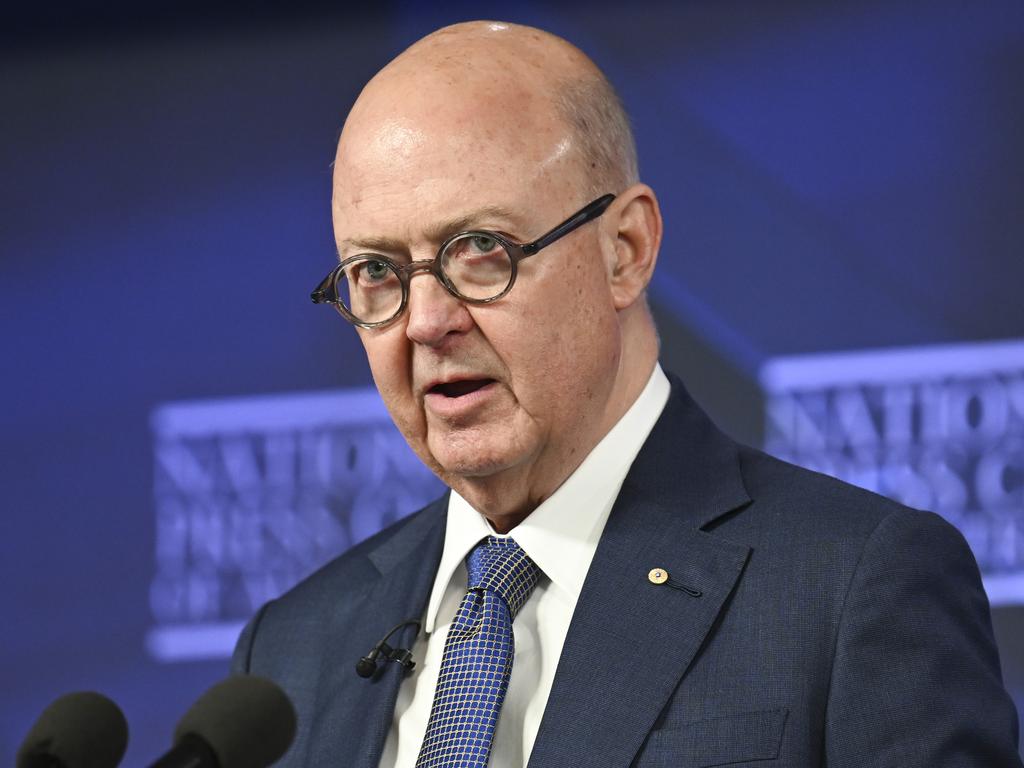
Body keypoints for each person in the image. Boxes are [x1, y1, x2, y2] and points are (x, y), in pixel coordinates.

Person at [232, 20, 1022, 768]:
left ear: (626, 251)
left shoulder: (854, 589)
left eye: (480, 250)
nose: (427, 322)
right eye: (377, 272)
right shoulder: (293, 653)